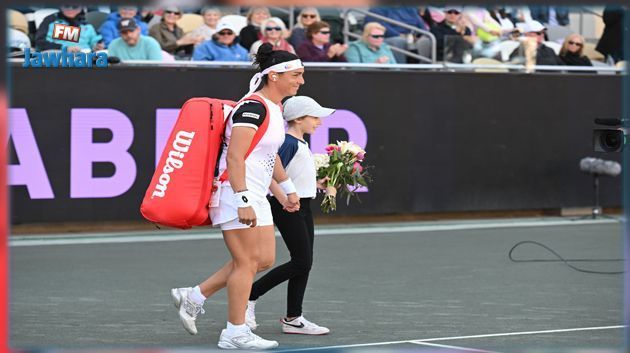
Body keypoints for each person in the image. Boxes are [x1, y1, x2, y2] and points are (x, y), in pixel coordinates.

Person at [171, 42, 305, 350]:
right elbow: (235, 157)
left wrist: (286, 190)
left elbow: (269, 157)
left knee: (264, 260)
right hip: (235, 191)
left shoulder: (274, 108)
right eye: (296, 75)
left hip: (256, 192)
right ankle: (234, 332)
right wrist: (243, 198)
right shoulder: (252, 106)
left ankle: (193, 296)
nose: (301, 81)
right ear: (275, 76)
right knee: (246, 262)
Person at [245, 96, 333, 335]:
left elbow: (292, 176)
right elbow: (272, 173)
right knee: (302, 261)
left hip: (303, 206)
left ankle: (294, 318)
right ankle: (249, 295)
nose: (319, 122)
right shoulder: (288, 143)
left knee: (305, 263)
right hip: (287, 207)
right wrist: (284, 199)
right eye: (314, 117)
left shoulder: (300, 143)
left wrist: (319, 184)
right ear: (297, 119)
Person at [35, 5, 104, 52]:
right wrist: (64, 48)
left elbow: (95, 42)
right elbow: (40, 43)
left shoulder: (87, 25)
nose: (70, 9)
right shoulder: (50, 21)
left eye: (75, 6)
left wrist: (97, 46)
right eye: (67, 6)